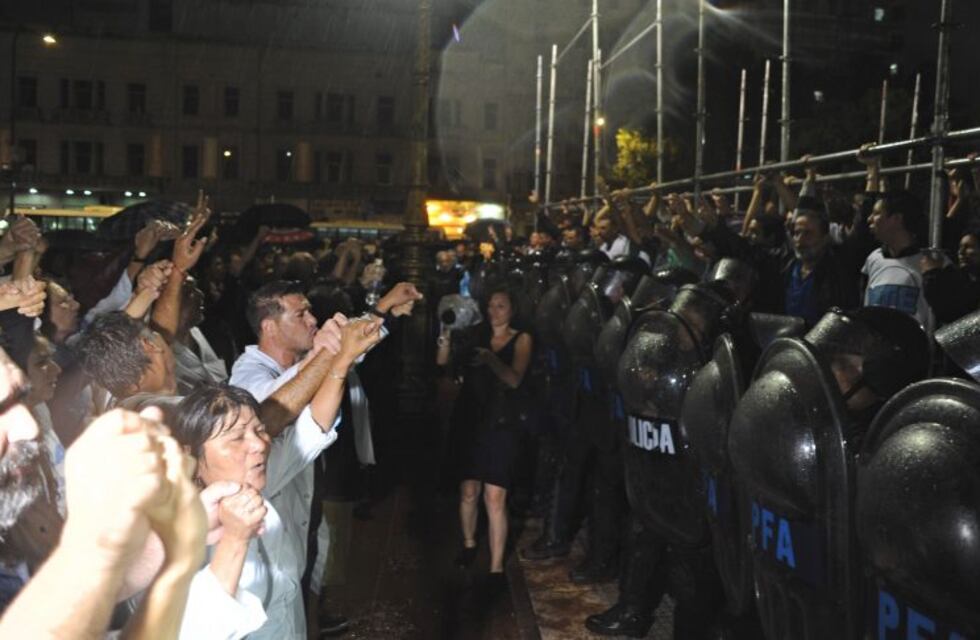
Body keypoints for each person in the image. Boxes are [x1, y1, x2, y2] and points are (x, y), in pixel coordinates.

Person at [437, 288, 532, 582]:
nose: (494, 311)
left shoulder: (522, 339)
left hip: (501, 422)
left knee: (495, 495)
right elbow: (443, 364)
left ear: (513, 310)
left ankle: (495, 566)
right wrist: (445, 340)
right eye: (491, 305)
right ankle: (468, 544)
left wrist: (491, 359)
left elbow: (515, 379)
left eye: (501, 306)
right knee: (468, 491)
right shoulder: (474, 334)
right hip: (471, 418)